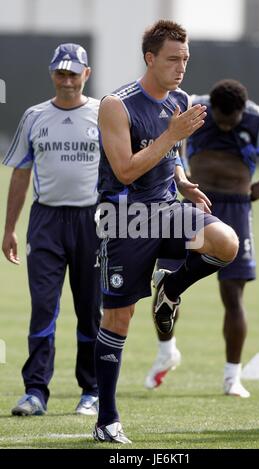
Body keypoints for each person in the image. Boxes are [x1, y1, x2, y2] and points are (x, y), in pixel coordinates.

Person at [93, 20, 239, 444]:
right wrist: (171, 134)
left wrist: (182, 179)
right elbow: (123, 170)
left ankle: (170, 289)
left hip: (167, 208)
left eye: (186, 59)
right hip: (124, 218)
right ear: (150, 58)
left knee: (224, 243)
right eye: (174, 59)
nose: (181, 67)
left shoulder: (179, 98)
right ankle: (107, 420)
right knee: (119, 317)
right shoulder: (115, 105)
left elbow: (172, 155)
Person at [145, 79, 259, 398]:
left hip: (236, 206)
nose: (226, 125)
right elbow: (163, 128)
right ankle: (166, 350)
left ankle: (232, 377)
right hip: (194, 204)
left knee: (232, 293)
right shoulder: (194, 107)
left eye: (233, 119)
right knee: (163, 278)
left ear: (243, 110)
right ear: (212, 109)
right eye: (221, 119)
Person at [2, 43, 102, 416]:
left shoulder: (101, 114)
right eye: (60, 73)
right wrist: (9, 227)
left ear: (86, 74)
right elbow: (20, 173)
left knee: (90, 310)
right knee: (43, 307)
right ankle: (35, 391)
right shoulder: (34, 116)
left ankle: (91, 390)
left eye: (73, 73)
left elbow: (120, 168)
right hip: (46, 223)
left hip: (91, 222)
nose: (67, 80)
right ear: (51, 75)